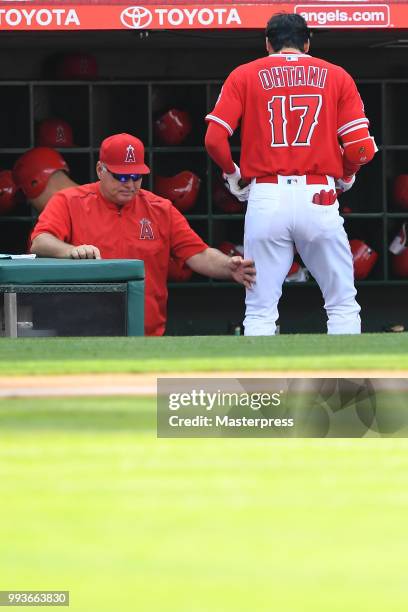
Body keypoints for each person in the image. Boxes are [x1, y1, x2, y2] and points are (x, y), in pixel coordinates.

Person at [205, 12, 377, 335]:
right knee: (341, 304)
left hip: (266, 195)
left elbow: (214, 139)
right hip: (319, 195)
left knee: (259, 312)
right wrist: (347, 173)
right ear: (307, 42)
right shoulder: (337, 75)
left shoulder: (245, 74)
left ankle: (262, 387)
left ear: (268, 43)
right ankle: (347, 384)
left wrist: (232, 174)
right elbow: (359, 148)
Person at [29, 133, 255, 336]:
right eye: (121, 176)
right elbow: (40, 241)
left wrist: (228, 266)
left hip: (146, 333)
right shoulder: (69, 201)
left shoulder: (160, 208)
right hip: (85, 330)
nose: (130, 184)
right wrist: (71, 250)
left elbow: (198, 254)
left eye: (136, 176)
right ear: (100, 170)